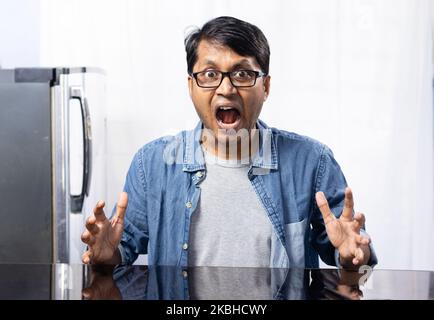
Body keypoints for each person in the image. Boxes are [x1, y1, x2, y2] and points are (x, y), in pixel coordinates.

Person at [81, 16, 377, 270]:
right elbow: (121, 250)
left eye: (243, 74)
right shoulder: (152, 164)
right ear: (191, 85)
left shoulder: (312, 162)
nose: (226, 88)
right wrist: (107, 257)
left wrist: (354, 254)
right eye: (210, 74)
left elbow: (351, 251)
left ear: (266, 86)